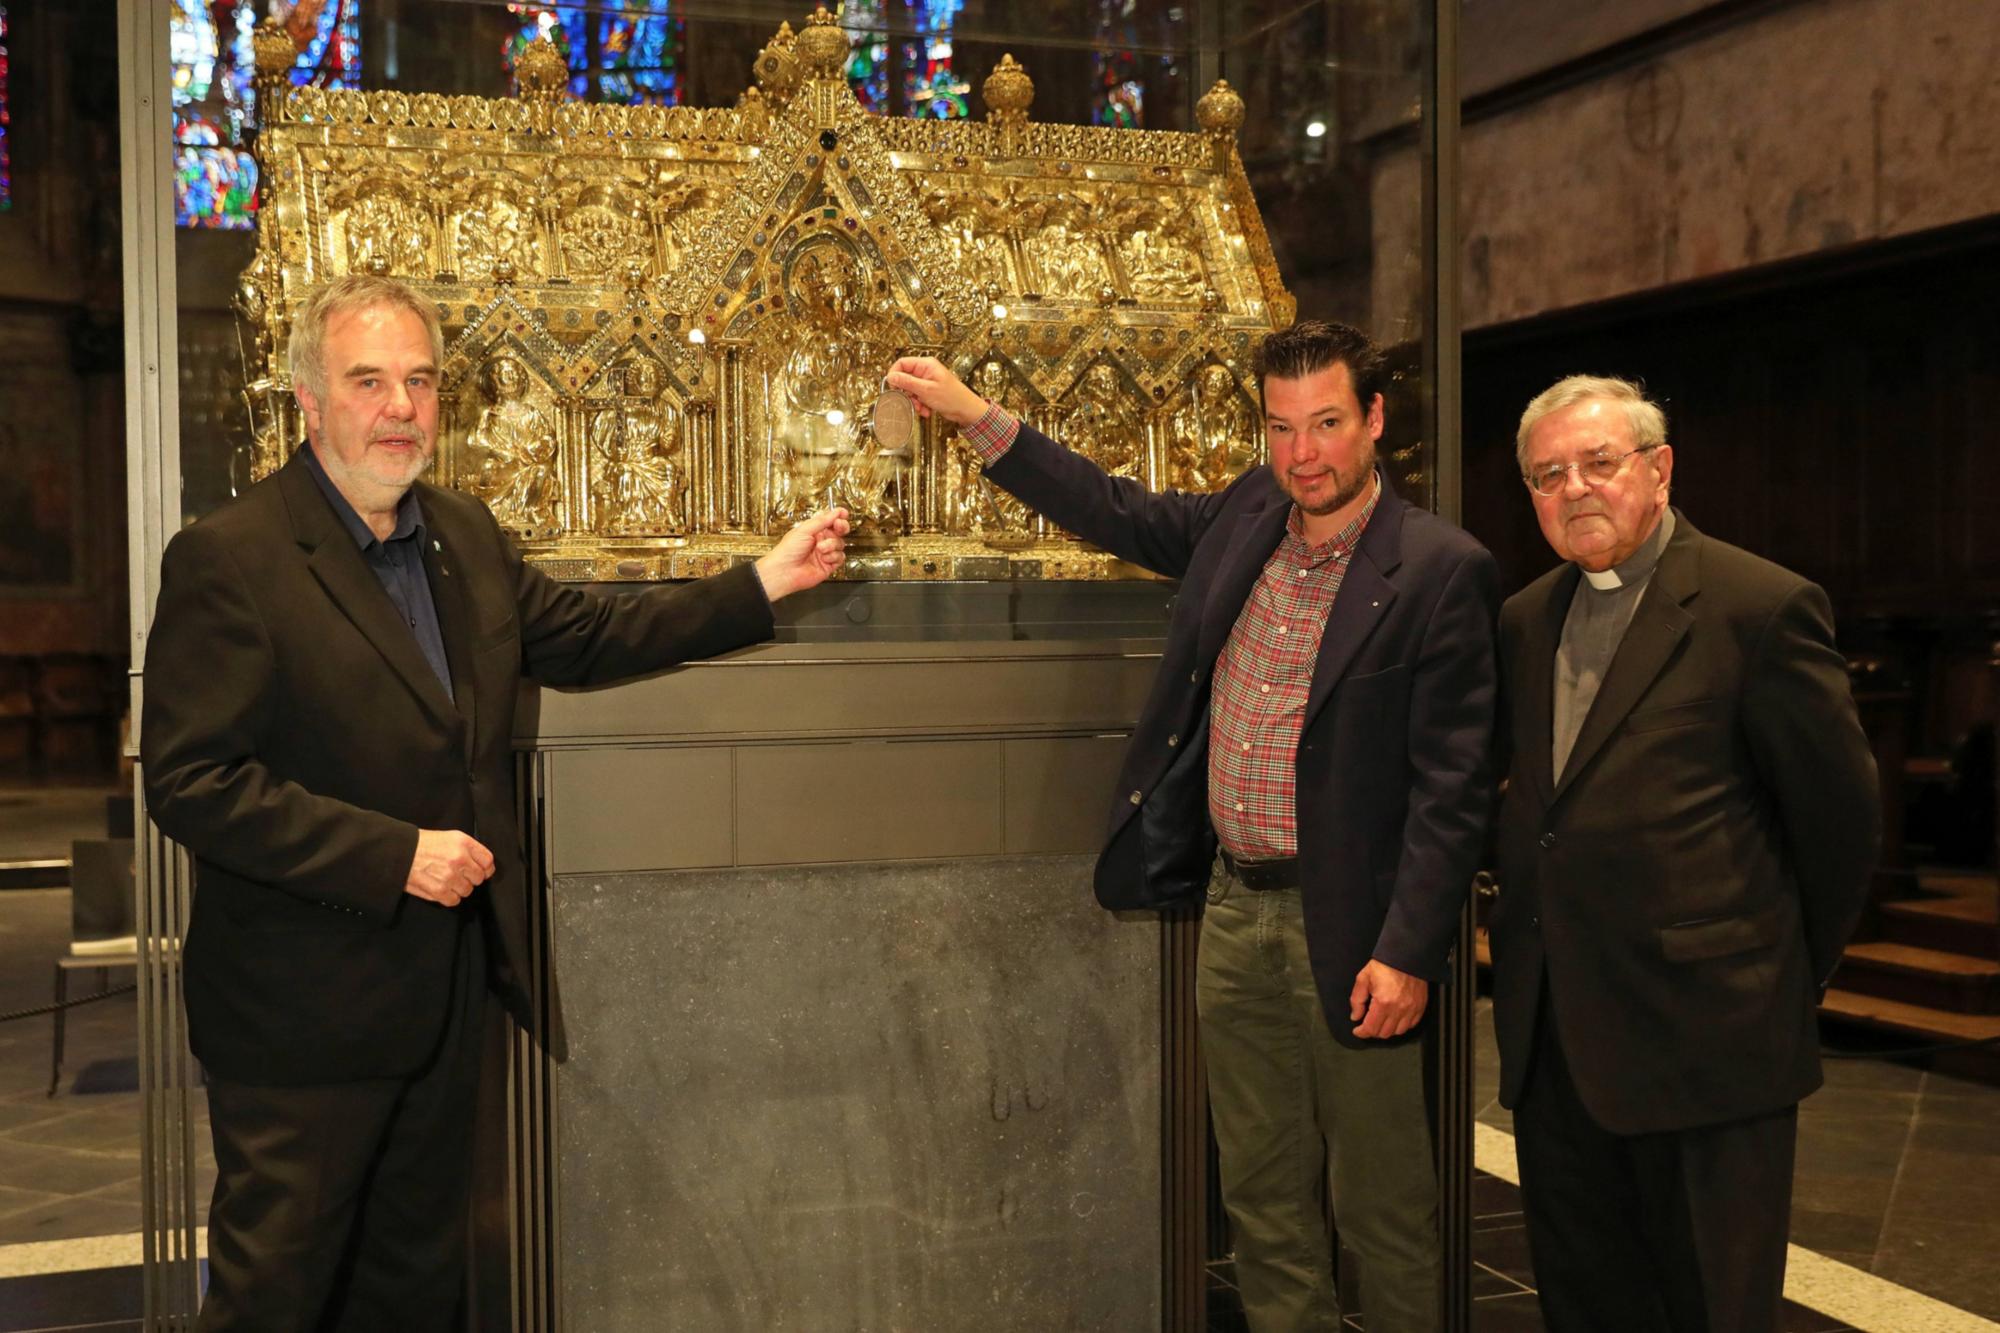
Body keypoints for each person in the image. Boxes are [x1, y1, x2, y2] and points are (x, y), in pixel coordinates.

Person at [141, 274, 848, 1331]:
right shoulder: (229, 558)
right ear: (307, 401)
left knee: (415, 1288)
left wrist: (760, 584)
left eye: (419, 382)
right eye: (368, 380)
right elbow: (194, 781)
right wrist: (392, 855)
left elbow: (591, 637)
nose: (399, 408)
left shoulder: (460, 536)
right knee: (274, 1297)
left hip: (444, 994)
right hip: (300, 1021)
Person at [887, 320, 1500, 1333]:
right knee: (1260, 1195)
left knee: (1379, 1206)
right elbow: (1113, 509)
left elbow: (1454, 782)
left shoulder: (1438, 568)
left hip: (1349, 927)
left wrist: (1408, 949)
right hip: (1233, 909)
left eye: (1327, 424)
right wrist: (974, 418)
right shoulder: (1250, 512)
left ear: (1374, 420)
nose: (1303, 454)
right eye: (1281, 428)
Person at [1489, 375, 1879, 1332]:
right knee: (1587, 1303)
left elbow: (1841, 823)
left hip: (1711, 1041)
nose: (1574, 487)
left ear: (1658, 471)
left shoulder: (1760, 606)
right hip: (1559, 1043)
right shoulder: (1525, 618)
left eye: (1599, 463)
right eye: (1548, 475)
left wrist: (1778, 972)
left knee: (1712, 1308)